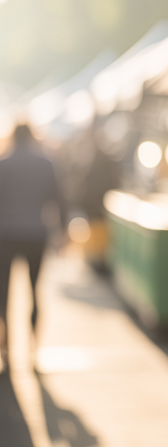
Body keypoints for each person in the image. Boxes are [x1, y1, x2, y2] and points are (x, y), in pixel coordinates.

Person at [0, 124, 63, 360]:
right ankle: (34, 347)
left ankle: (5, 349)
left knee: (3, 293)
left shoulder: (3, 164)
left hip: (6, 235)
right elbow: (58, 198)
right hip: (36, 233)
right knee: (34, 291)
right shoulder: (46, 164)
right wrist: (62, 231)